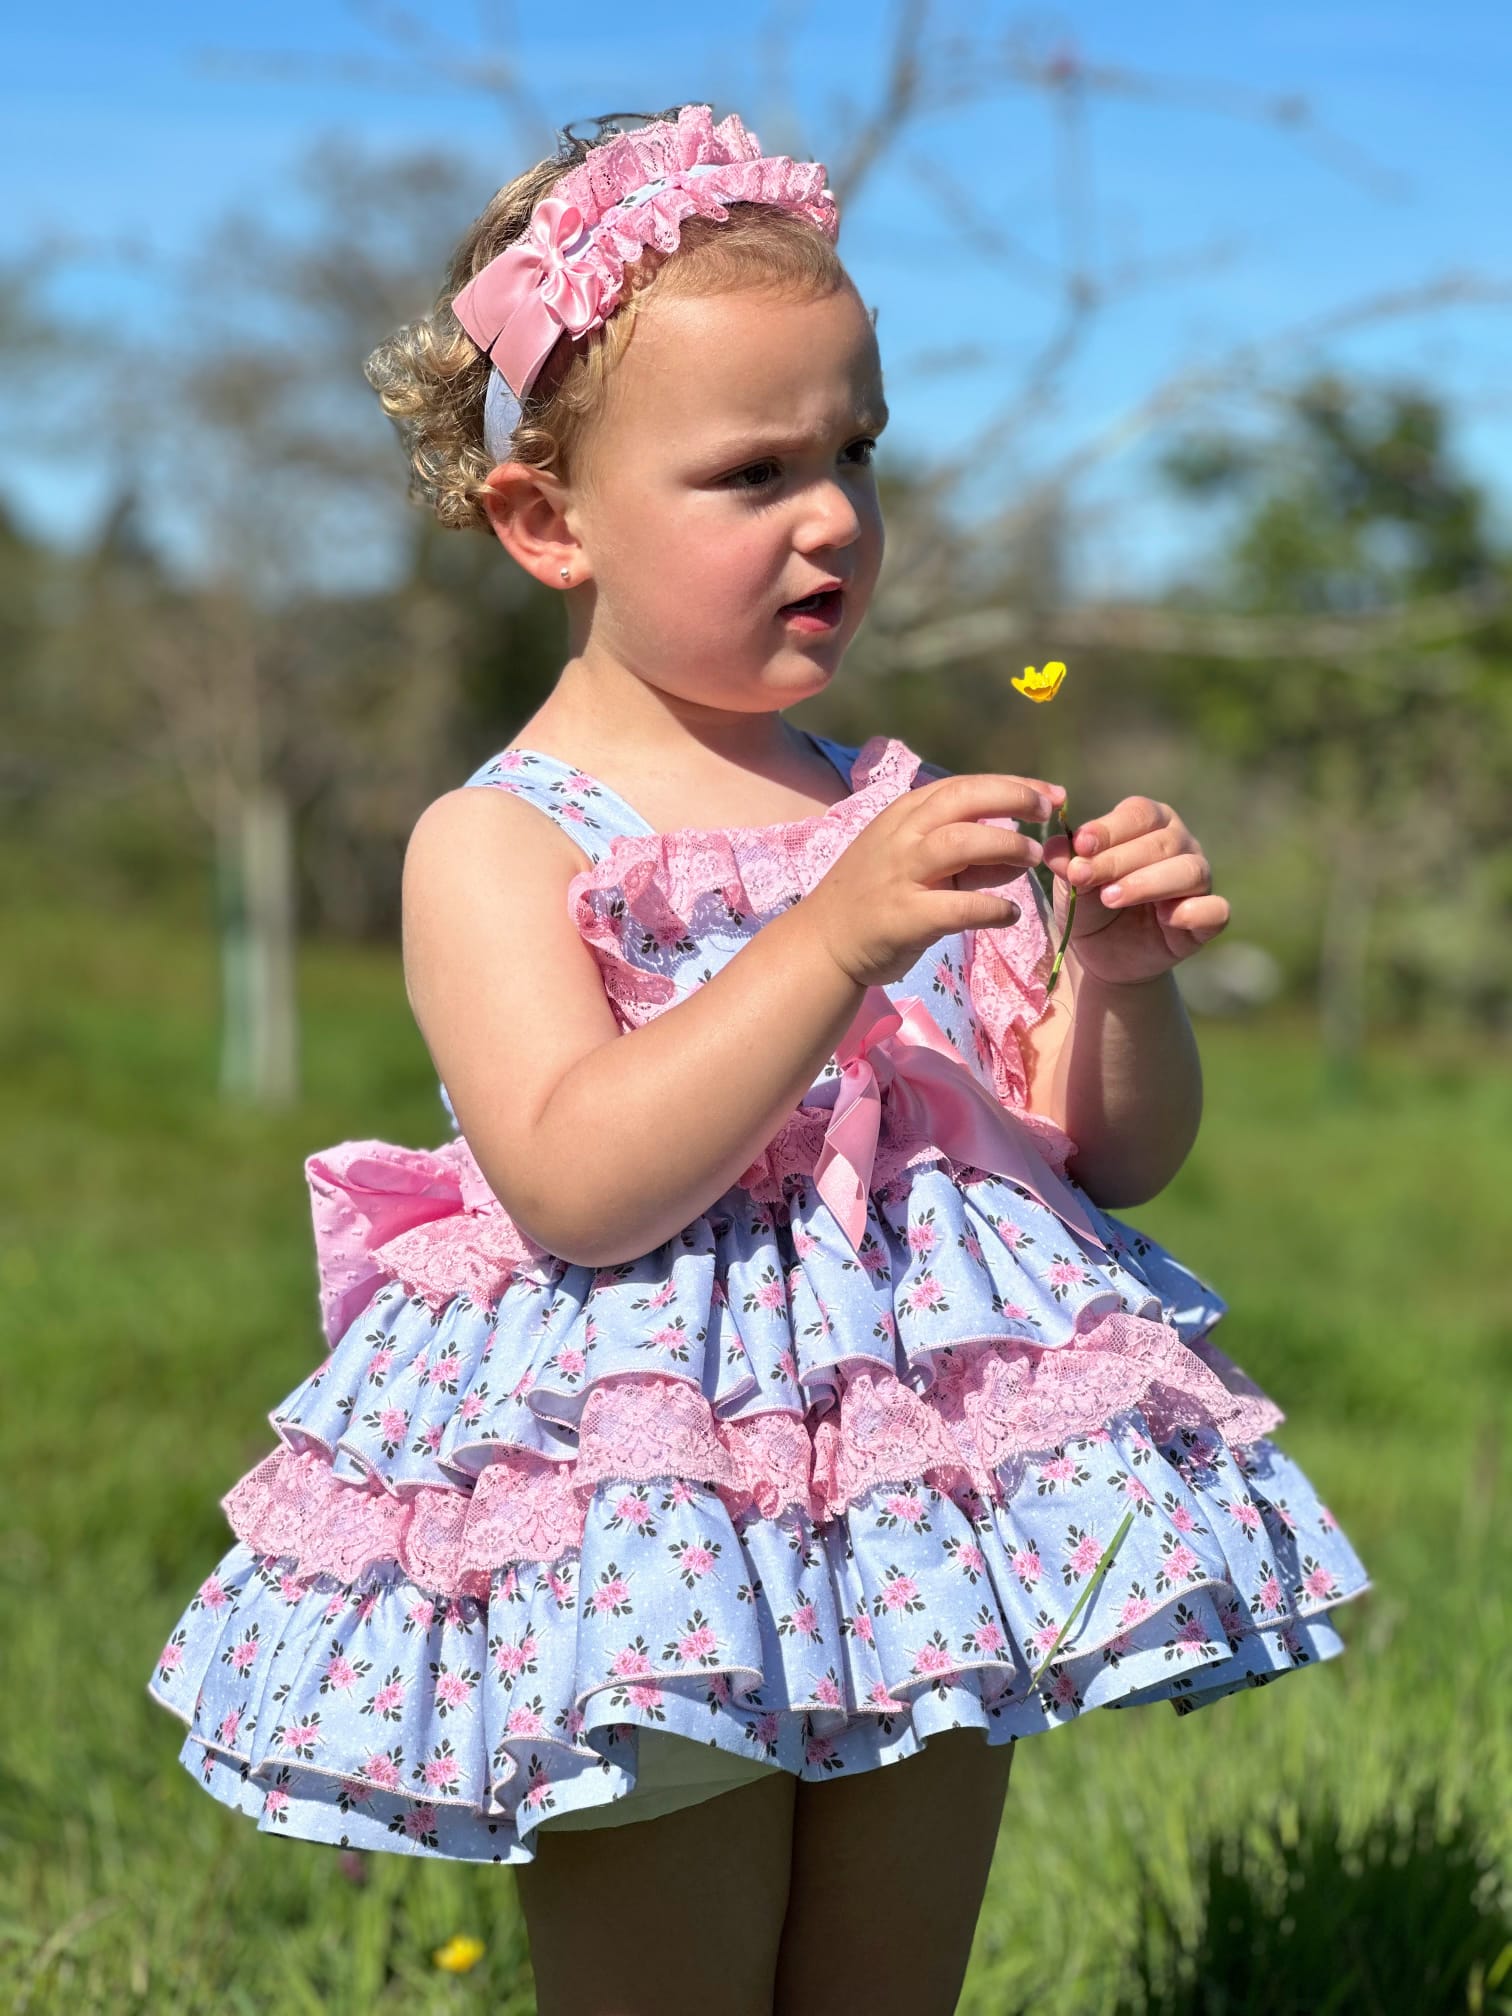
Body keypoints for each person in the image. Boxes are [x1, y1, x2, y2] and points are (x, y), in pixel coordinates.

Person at [145, 102, 1371, 2016]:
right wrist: (830, 940)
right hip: (649, 1514)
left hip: (913, 1502)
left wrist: (1123, 986)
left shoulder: (883, 802)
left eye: (856, 451)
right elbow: (580, 1180)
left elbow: (1099, 1165)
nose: (834, 519)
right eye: (751, 472)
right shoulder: (504, 841)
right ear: (548, 523)